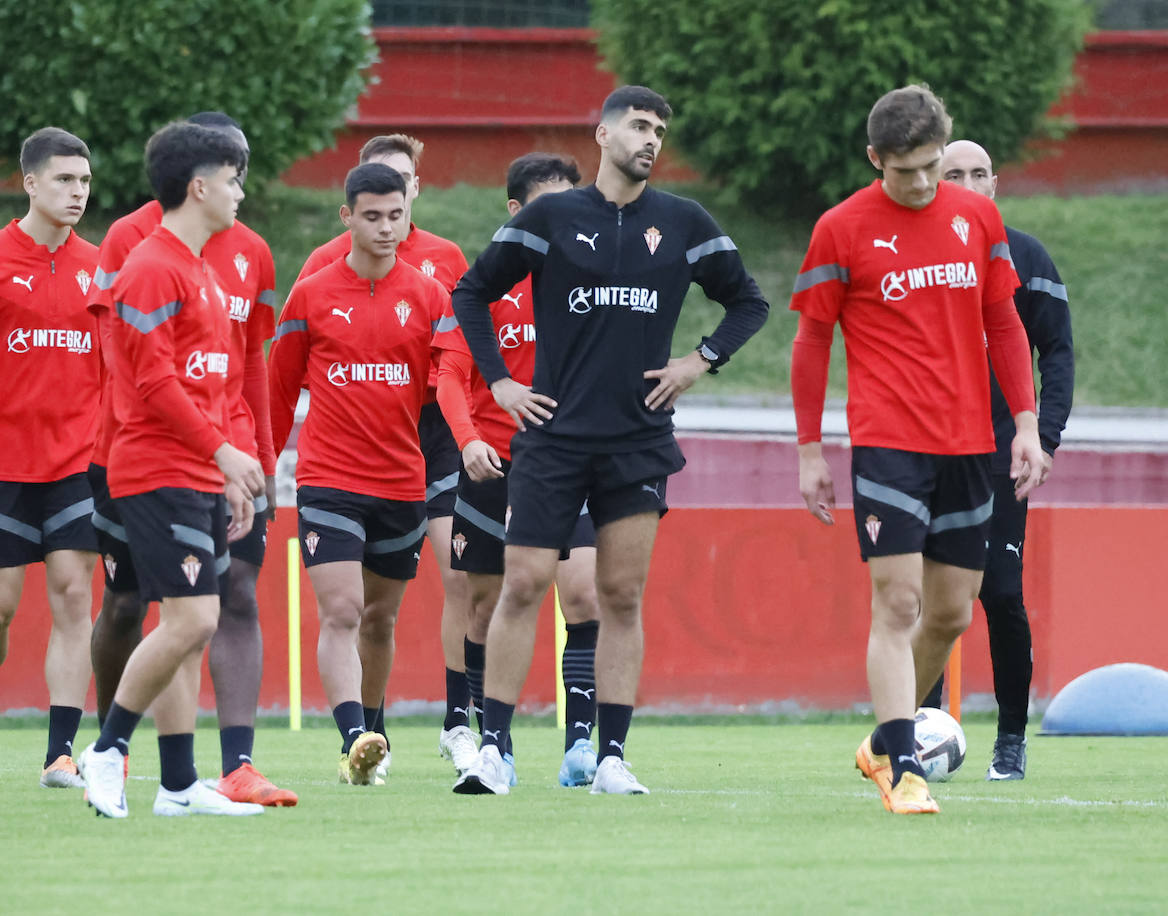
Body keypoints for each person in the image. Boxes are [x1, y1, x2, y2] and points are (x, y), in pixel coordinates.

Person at [449, 86, 770, 796]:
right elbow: (470, 291)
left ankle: (612, 758)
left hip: (637, 442)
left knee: (620, 596)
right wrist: (500, 382)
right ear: (603, 133)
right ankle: (494, 750)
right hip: (553, 438)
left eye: (660, 129)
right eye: (638, 125)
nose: (651, 138)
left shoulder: (683, 222)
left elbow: (750, 300)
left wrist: (699, 361)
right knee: (525, 583)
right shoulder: (551, 216)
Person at [789, 85, 1047, 815]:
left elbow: (1003, 321)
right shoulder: (840, 229)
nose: (927, 183)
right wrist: (810, 451)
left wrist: (1024, 424)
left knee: (952, 615)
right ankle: (902, 769)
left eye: (935, 165)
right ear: (876, 159)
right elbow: (812, 343)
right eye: (908, 171)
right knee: (897, 604)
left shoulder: (978, 217)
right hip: (887, 440)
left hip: (973, 442)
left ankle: (880, 739)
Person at [86, 112, 295, 806]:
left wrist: (231, 469)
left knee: (187, 622)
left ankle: (177, 784)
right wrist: (221, 450)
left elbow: (219, 382)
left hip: (198, 469)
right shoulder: (148, 267)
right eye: (234, 179)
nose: (242, 191)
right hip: (153, 467)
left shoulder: (202, 272)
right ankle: (107, 751)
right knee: (193, 621)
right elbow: (150, 383)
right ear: (199, 186)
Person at [269, 162, 448, 786]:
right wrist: (263, 472)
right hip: (329, 480)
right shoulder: (312, 295)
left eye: (395, 215)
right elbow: (277, 391)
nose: (385, 227)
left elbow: (450, 384)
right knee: (342, 611)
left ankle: (371, 734)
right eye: (371, 216)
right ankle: (353, 734)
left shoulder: (429, 298)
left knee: (379, 620)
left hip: (403, 483)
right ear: (347, 217)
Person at [0, 127, 100, 790]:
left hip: (78, 469)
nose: (76, 192)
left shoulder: (101, 268)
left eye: (84, 181)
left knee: (73, 597)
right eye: (63, 180)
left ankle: (60, 753)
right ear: (30, 182)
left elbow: (118, 370)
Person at [433, 152, 602, 787]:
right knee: (484, 607)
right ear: (516, 211)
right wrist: (469, 441)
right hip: (491, 465)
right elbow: (450, 374)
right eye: (546, 204)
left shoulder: (592, 280)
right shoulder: (484, 284)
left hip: (567, 463)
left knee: (583, 593)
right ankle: (489, 739)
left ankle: (583, 742)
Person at [918, 139, 1075, 781]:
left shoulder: (1027, 256)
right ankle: (919, 732)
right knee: (927, 603)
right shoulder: (916, 252)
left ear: (995, 183)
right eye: (954, 174)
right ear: (935, 182)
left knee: (1001, 597)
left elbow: (1056, 354)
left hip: (1000, 453)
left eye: (979, 173)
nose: (968, 182)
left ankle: (1010, 740)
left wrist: (1044, 437)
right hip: (925, 451)